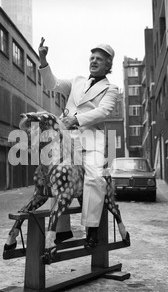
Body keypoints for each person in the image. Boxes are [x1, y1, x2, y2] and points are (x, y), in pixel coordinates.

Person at [38, 38, 119, 249]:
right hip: (67, 137)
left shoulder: (111, 89)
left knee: (94, 176)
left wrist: (76, 119)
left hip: (91, 138)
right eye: (92, 57)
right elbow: (52, 84)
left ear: (108, 65)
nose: (93, 61)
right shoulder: (77, 81)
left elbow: (103, 111)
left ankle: (91, 229)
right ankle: (62, 231)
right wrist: (43, 59)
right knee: (55, 173)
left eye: (99, 59)